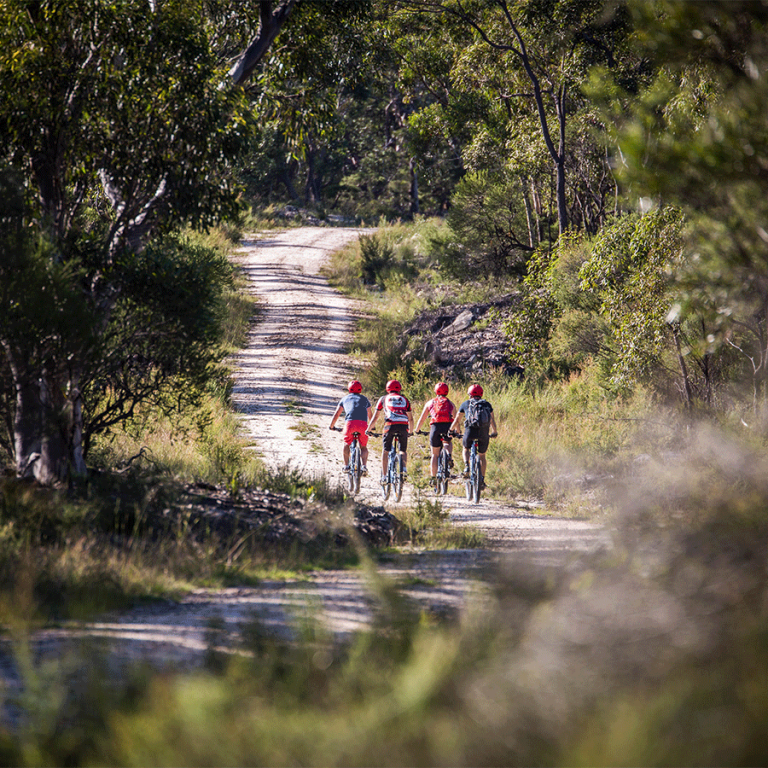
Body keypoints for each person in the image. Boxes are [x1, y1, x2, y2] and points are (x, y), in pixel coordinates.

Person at [449, 384, 498, 488]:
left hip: (470, 431)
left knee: (466, 448)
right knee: (482, 456)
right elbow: (492, 420)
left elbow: (457, 420)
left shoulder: (466, 404)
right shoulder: (487, 405)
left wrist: (451, 430)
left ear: (470, 394)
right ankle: (482, 480)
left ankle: (467, 466)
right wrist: (494, 431)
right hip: (483, 432)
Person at [366, 379, 413, 484]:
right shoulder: (405, 399)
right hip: (403, 425)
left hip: (390, 425)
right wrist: (410, 431)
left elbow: (375, 416)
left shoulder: (383, 399)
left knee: (385, 451)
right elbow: (410, 418)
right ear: (399, 389)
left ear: (387, 388)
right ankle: (403, 469)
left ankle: (384, 476)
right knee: (403, 450)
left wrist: (369, 429)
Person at [414, 381, 456, 486]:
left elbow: (422, 418)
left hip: (435, 427)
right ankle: (448, 456)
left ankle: (433, 478)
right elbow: (456, 419)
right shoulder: (450, 403)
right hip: (447, 426)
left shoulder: (430, 402)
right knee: (447, 442)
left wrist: (417, 429)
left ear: (435, 391)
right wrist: (457, 431)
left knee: (435, 454)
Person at [328, 380, 372, 474]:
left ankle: (346, 466)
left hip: (350, 424)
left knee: (346, 444)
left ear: (349, 389)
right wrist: (372, 427)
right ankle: (364, 466)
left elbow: (336, 414)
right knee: (363, 447)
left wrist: (332, 426)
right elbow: (370, 414)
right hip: (363, 425)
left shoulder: (344, 399)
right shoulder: (365, 399)